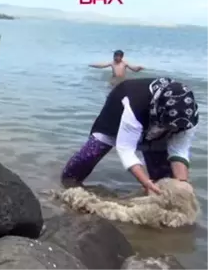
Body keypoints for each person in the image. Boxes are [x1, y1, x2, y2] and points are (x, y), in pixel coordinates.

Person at [61, 77, 199, 195]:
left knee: (164, 179)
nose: (171, 130)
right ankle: (65, 186)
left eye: (175, 129)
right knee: (91, 153)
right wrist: (145, 182)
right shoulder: (136, 105)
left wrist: (182, 183)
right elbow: (125, 149)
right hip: (120, 107)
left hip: (161, 117)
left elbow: (179, 150)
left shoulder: (188, 116)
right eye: (169, 127)